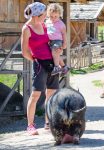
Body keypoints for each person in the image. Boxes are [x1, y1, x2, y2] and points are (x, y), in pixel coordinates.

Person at [21, 2, 60, 135]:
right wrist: (35, 60)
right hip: (39, 64)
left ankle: (48, 123)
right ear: (37, 15)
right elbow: (25, 51)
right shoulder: (26, 29)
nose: (46, 17)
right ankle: (30, 126)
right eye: (44, 15)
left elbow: (52, 41)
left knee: (52, 94)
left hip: (51, 63)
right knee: (36, 94)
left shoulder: (44, 25)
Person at [46, 3, 69, 76]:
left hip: (58, 41)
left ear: (59, 14)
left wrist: (65, 43)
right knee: (56, 55)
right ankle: (64, 67)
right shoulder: (47, 22)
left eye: (55, 16)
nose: (53, 18)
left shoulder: (61, 24)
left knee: (55, 51)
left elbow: (64, 34)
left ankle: (56, 67)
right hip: (50, 42)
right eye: (51, 16)